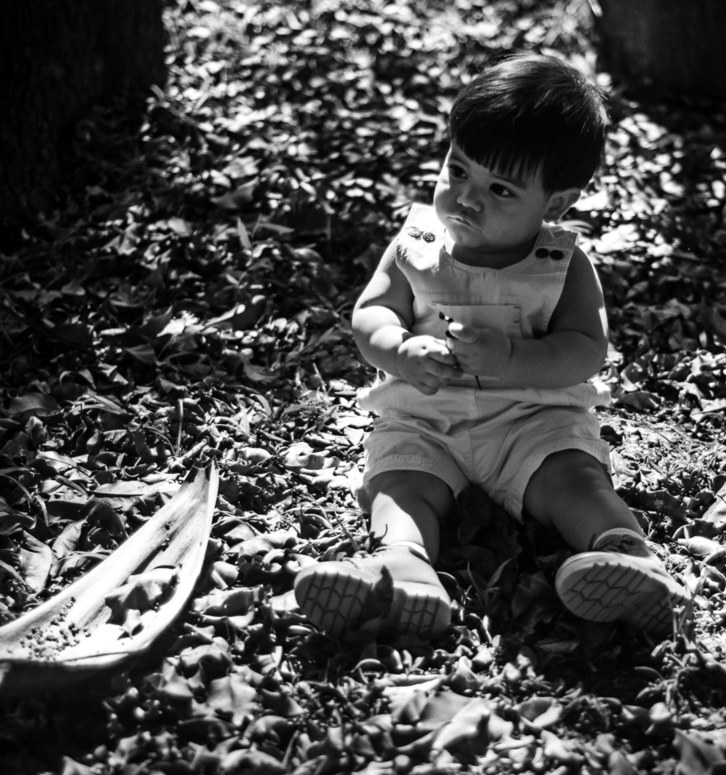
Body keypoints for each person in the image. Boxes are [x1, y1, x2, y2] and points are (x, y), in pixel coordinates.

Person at [293, 53, 690, 640]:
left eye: (499, 189)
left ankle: (627, 557)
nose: (467, 198)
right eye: (458, 170)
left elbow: (585, 349)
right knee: (400, 482)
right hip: (427, 421)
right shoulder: (416, 245)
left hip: (531, 421)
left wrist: (511, 360)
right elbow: (371, 313)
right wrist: (398, 350)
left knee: (575, 478)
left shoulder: (562, 265)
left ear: (554, 204)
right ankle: (402, 565)